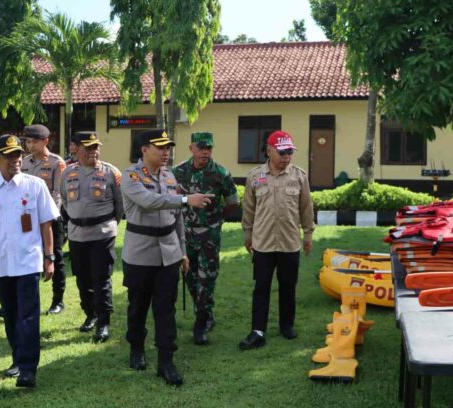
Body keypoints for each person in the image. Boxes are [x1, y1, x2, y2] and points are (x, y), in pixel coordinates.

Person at [121, 129, 213, 386]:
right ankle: (136, 349)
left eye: (168, 147)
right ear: (144, 150)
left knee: (166, 309)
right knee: (138, 307)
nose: (166, 152)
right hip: (140, 253)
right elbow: (150, 201)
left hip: (169, 252)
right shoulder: (130, 176)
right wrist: (185, 199)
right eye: (160, 147)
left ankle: (166, 362)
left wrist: (182, 251)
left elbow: (177, 218)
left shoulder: (170, 176)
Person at [0, 134, 59, 388]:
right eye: (8, 156)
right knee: (11, 315)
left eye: (17, 154)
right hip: (1, 264)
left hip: (28, 262)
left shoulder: (35, 185)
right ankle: (18, 359)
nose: (14, 160)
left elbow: (46, 223)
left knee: (28, 316)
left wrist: (49, 258)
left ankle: (28, 369)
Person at [239, 130, 314, 350]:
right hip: (262, 242)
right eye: (282, 152)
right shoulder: (255, 176)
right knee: (261, 287)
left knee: (288, 286)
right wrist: (247, 233)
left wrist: (308, 233)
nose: (286, 157)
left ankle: (286, 325)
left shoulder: (299, 176)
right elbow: (249, 207)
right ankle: (257, 330)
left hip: (289, 242)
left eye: (289, 152)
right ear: (269, 151)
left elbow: (306, 207)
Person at [173, 132, 239, 345]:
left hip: (209, 234)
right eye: (201, 148)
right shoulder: (178, 172)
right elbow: (171, 200)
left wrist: (216, 218)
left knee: (207, 278)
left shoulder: (221, 173)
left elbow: (232, 202)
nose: (205, 152)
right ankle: (205, 311)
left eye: (209, 148)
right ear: (191, 148)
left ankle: (201, 323)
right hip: (185, 234)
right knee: (190, 277)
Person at [60, 132, 123, 343]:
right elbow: (65, 203)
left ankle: (103, 322)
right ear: (75, 149)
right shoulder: (68, 172)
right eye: (87, 148)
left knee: (101, 278)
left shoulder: (111, 172)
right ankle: (90, 314)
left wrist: (108, 224)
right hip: (77, 234)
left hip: (102, 233)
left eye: (96, 147)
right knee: (82, 277)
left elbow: (120, 206)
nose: (93, 151)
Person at [22, 124, 67, 315]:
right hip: (26, 217)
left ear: (46, 141)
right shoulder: (24, 162)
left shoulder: (57, 163)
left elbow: (59, 192)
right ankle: (25, 300)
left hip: (49, 218)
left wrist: (50, 215)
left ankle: (58, 300)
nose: (30, 146)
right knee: (26, 256)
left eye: (34, 142)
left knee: (54, 256)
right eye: (28, 142)